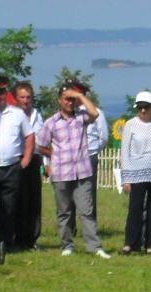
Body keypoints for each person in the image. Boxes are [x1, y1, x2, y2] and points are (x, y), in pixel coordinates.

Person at [37, 81, 111, 259]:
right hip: (61, 172)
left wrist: (79, 96)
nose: (69, 102)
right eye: (66, 99)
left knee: (86, 210)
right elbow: (41, 144)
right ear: (59, 101)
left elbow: (95, 113)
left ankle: (94, 246)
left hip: (82, 171)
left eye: (72, 99)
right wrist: (54, 155)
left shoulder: (81, 117)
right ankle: (67, 245)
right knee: (64, 211)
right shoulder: (51, 122)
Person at [0, 75, 34, 252]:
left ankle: (5, 244)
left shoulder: (17, 114)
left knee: (8, 209)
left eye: (1, 92)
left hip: (11, 167)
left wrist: (26, 159)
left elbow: (29, 136)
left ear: (6, 93)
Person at [120, 91, 151, 254]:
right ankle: (131, 243)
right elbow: (124, 152)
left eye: (146, 107)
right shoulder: (130, 125)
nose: (143, 111)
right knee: (135, 209)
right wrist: (125, 178)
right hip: (136, 173)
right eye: (140, 107)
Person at [14, 81, 44, 250]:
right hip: (17, 158)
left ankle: (32, 239)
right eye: (22, 97)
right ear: (16, 99)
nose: (26, 101)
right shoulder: (12, 114)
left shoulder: (37, 115)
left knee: (33, 200)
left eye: (28, 97)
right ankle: (17, 237)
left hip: (34, 159)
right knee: (18, 200)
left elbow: (42, 139)